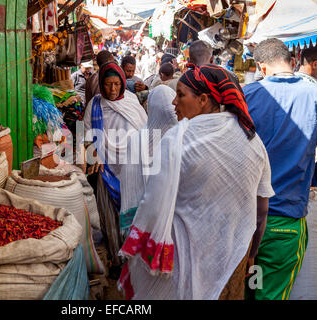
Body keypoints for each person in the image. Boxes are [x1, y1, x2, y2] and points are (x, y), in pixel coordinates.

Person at [118, 63, 274, 300]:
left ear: (203, 99)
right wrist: (252, 251)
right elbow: (261, 209)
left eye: (180, 95)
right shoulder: (253, 140)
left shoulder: (178, 138)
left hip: (186, 260)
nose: (174, 102)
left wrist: (139, 247)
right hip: (233, 258)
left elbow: (154, 204)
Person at [243, 38, 317, 300]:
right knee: (269, 293)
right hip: (285, 222)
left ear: (261, 66)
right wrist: (313, 175)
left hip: (245, 219)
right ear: (293, 63)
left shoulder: (246, 96)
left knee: (245, 289)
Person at [83, 61, 147, 278]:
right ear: (101, 84)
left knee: (132, 213)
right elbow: (85, 134)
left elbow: (144, 132)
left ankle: (133, 258)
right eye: (108, 85)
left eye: (116, 84)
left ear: (122, 83)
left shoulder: (131, 102)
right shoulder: (95, 105)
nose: (112, 90)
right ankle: (117, 260)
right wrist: (94, 153)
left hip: (132, 169)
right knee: (109, 215)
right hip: (106, 168)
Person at [119, 85, 178, 236]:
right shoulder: (138, 142)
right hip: (155, 221)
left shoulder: (177, 139)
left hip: (161, 222)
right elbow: (131, 185)